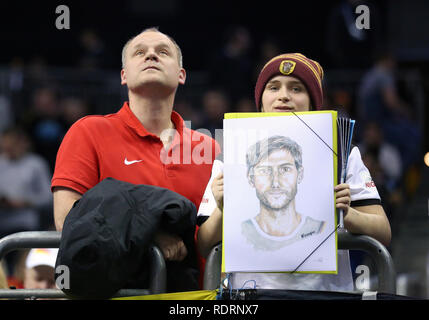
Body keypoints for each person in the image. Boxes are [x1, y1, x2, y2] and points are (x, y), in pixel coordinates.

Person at [197, 53, 391, 291]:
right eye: (273, 87)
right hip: (251, 296)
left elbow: (383, 232)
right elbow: (205, 243)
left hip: (327, 295)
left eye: (297, 88)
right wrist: (222, 209)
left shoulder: (342, 154)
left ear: (312, 103)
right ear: (260, 101)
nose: (283, 96)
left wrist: (346, 215)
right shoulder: (231, 156)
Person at [51, 27, 219, 289]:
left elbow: (212, 236)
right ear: (123, 75)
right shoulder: (88, 132)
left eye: (163, 52)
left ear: (181, 74)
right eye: (139, 52)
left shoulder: (209, 148)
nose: (151, 55)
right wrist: (150, 236)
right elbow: (67, 220)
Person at [242, 135, 326, 251]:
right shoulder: (238, 232)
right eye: (265, 171)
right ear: (251, 178)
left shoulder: (322, 229)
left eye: (285, 169)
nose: (275, 183)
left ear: (300, 174)